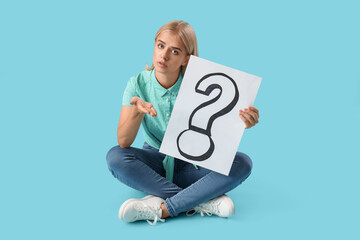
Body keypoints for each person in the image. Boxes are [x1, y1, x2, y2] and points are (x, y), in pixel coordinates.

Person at [106, 20, 260, 225]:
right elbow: (124, 141)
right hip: (154, 164)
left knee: (243, 163)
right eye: (160, 46)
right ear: (154, 45)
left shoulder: (201, 84)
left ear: (186, 59)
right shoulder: (137, 84)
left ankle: (164, 208)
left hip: (194, 165)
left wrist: (242, 122)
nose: (164, 55)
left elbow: (218, 136)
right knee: (115, 157)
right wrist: (137, 112)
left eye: (175, 51)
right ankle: (201, 200)